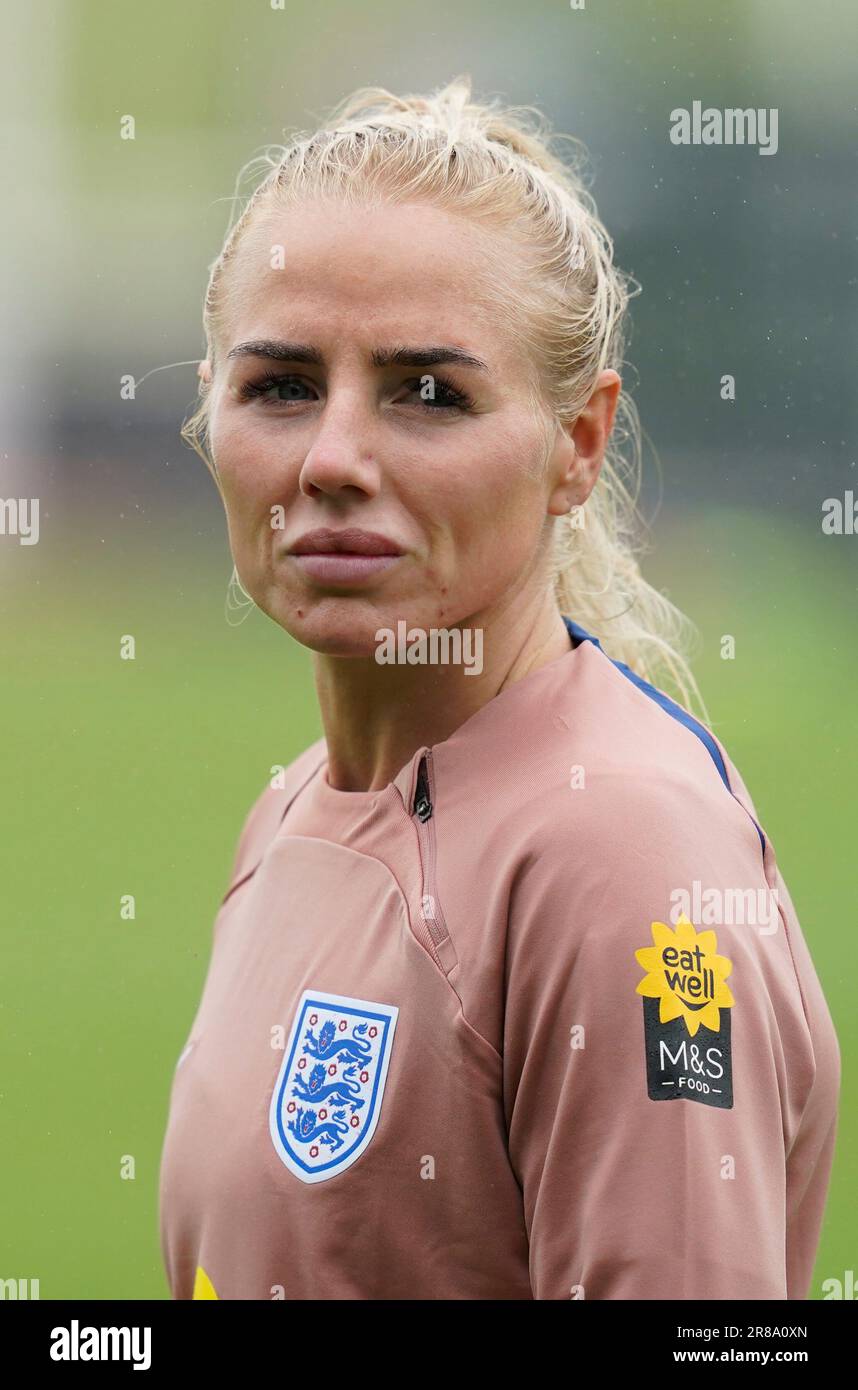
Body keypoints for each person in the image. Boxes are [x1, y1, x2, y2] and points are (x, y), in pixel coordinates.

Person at [158, 76, 840, 1300]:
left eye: (429, 393)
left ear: (577, 442)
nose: (333, 458)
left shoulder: (622, 852)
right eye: (282, 385)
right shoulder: (295, 809)